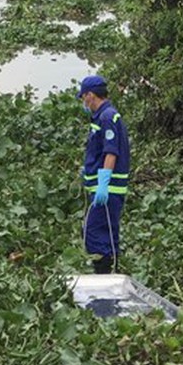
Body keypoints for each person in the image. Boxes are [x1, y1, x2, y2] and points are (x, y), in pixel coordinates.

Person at [77, 75, 131, 274]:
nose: (84, 102)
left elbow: (111, 152)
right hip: (101, 187)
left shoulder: (107, 116)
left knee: (94, 232)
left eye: (83, 97)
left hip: (108, 189)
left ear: (91, 95)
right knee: (105, 231)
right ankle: (109, 272)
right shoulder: (101, 117)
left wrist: (103, 183)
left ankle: (103, 275)